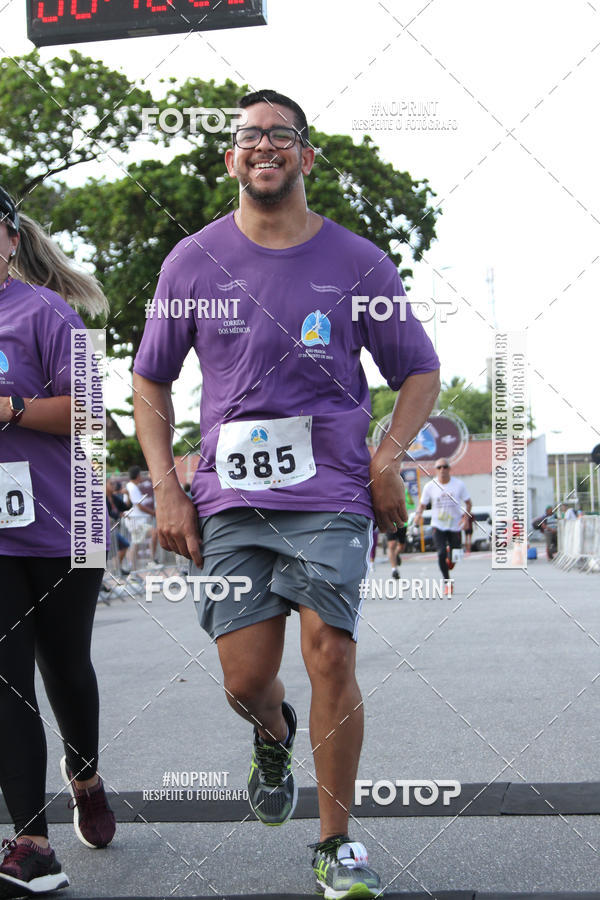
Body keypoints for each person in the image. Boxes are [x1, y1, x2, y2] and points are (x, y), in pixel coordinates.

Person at [132, 89, 440, 899]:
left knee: (330, 651)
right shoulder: (192, 261)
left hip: (333, 488)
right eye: (248, 138)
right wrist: (167, 485)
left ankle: (335, 844)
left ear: (306, 156)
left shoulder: (359, 263)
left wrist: (385, 462)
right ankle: (272, 735)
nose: (263, 146)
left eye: (282, 136)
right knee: (244, 679)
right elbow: (149, 380)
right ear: (231, 160)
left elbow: (420, 371)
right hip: (231, 500)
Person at [0, 187, 115, 897]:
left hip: (64, 525)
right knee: (6, 681)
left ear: (10, 239)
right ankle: (32, 844)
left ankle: (86, 776)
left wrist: (10, 407)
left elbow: (91, 410)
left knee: (65, 667)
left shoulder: (43, 311)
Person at [414, 458, 471, 595]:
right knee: (440, 554)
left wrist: (466, 518)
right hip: (438, 525)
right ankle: (447, 583)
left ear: (449, 469)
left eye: (445, 467)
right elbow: (422, 504)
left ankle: (450, 561)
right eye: (439, 467)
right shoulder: (430, 486)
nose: (442, 470)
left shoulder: (458, 485)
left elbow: (468, 503)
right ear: (436, 469)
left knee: (455, 556)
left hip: (455, 525)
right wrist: (418, 515)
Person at [124, 465, 155, 569]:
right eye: (140, 474)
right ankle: (152, 560)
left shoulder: (132, 487)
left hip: (136, 520)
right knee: (155, 532)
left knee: (136, 543)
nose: (141, 477)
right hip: (136, 521)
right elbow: (139, 506)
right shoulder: (132, 487)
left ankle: (132, 568)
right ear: (137, 475)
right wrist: (154, 513)